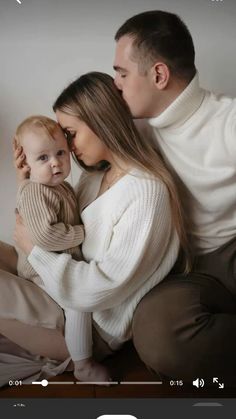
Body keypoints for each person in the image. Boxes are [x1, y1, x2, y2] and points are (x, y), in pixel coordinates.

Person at [6, 71, 190, 385]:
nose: (66, 145)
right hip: (57, 289)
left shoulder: (147, 192)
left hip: (86, 327)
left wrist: (34, 249)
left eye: (70, 133)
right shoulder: (93, 178)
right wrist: (28, 179)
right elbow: (57, 226)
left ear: (101, 122)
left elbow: (100, 286)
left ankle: (81, 365)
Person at [112, 10, 236, 380]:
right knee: (156, 334)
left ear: (159, 75)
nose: (115, 83)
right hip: (188, 270)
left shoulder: (227, 121)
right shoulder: (135, 133)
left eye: (121, 73)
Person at [13, 115, 110, 383]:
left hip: (58, 264)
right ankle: (83, 364)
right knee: (76, 303)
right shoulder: (35, 191)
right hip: (39, 270)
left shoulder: (61, 186)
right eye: (42, 158)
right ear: (27, 163)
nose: (55, 162)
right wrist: (83, 233)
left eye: (60, 153)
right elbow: (44, 235)